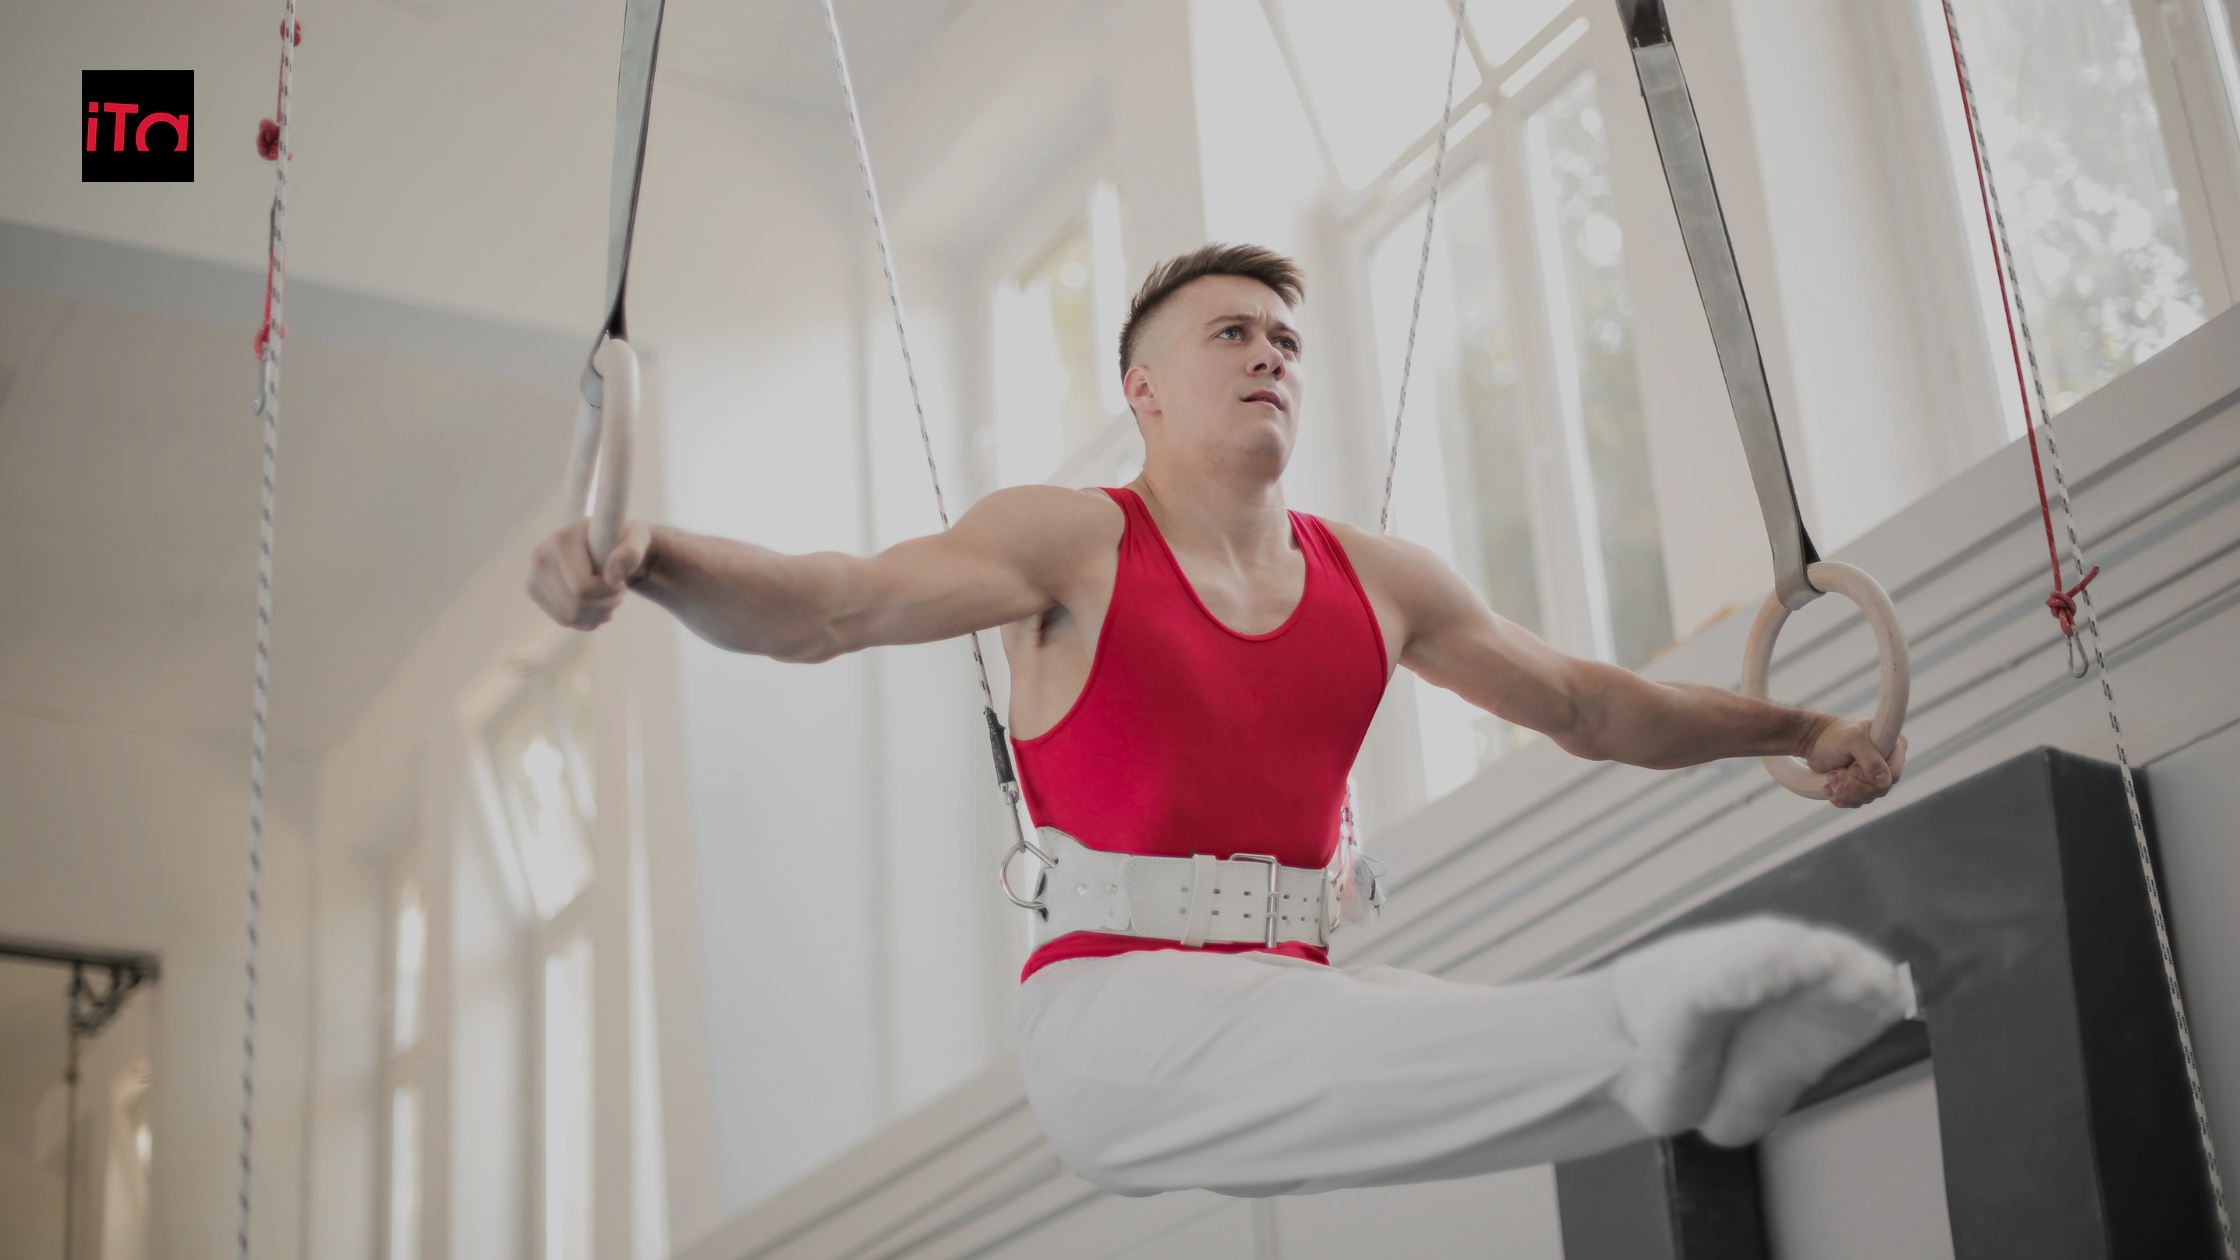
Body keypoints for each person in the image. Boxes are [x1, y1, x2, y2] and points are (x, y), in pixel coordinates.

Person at [527, 244, 1914, 1197]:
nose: (1270, 355)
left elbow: (1591, 705)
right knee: (1384, 1038)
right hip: (1114, 1023)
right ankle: (1648, 1026)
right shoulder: (1067, 544)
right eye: (1231, 333)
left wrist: (1795, 728)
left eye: (1287, 338)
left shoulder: (1383, 580)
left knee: (1424, 1032)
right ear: (1142, 387)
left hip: (1294, 1000)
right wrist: (642, 556)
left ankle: (1687, 1075)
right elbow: (826, 606)